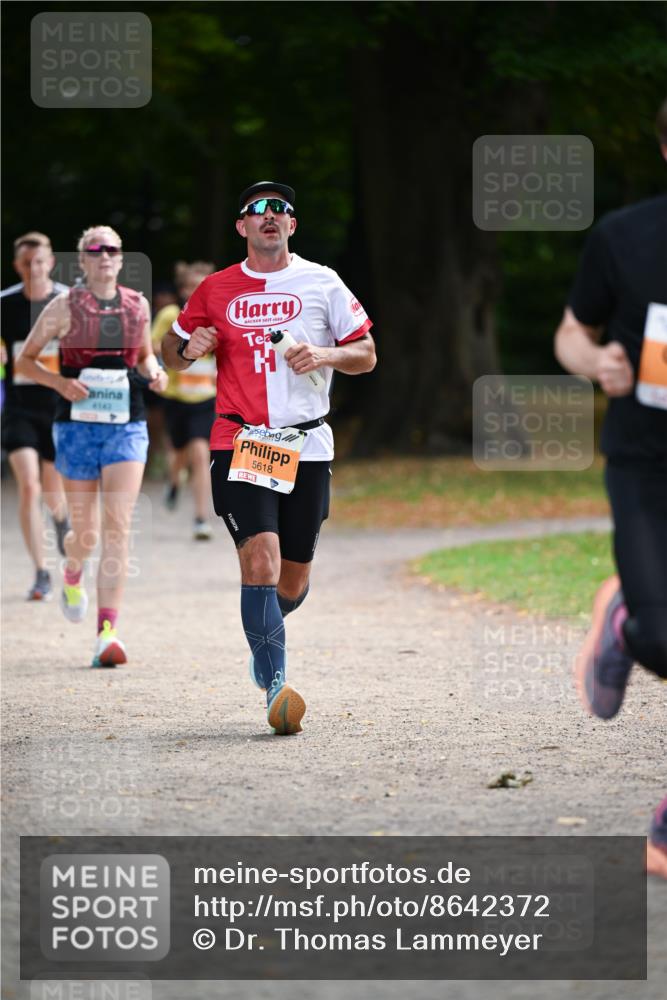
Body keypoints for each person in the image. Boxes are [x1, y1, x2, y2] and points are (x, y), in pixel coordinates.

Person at [161, 182, 376, 735]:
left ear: (292, 226)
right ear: (242, 227)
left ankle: (263, 635)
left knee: (293, 583)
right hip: (241, 441)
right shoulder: (215, 288)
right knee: (261, 562)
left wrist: (326, 352)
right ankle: (277, 687)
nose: (269, 217)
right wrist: (189, 348)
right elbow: (171, 354)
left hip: (306, 443)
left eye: (280, 210)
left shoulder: (321, 282)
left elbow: (367, 354)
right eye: (257, 210)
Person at [554, 99, 667, 879]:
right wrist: (596, 365)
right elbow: (570, 331)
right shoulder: (625, 237)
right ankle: (625, 623)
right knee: (664, 637)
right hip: (646, 464)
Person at [15, 225, 168, 666]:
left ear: (121, 259)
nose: (104, 256)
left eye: (112, 249)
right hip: (77, 429)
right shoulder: (63, 307)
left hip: (126, 424)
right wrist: (60, 382)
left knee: (119, 525)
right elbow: (26, 359)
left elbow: (144, 356)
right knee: (86, 534)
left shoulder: (136, 305)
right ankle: (72, 569)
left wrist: (155, 372)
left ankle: (107, 632)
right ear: (82, 260)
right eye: (95, 250)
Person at [1, 232, 70, 600]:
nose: (34, 268)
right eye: (27, 263)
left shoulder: (67, 301)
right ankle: (41, 572)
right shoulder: (5, 304)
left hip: (58, 408)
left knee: (52, 486)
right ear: (18, 266)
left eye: (40, 261)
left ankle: (60, 518)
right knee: (29, 485)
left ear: (51, 262)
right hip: (19, 408)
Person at [152, 261, 216, 540]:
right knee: (178, 455)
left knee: (201, 454)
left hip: (207, 397)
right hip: (177, 398)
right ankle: (174, 481)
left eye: (203, 286)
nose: (196, 291)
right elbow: (153, 345)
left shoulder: (220, 314)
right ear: (182, 290)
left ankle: (201, 518)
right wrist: (184, 347)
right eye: (191, 287)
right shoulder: (171, 315)